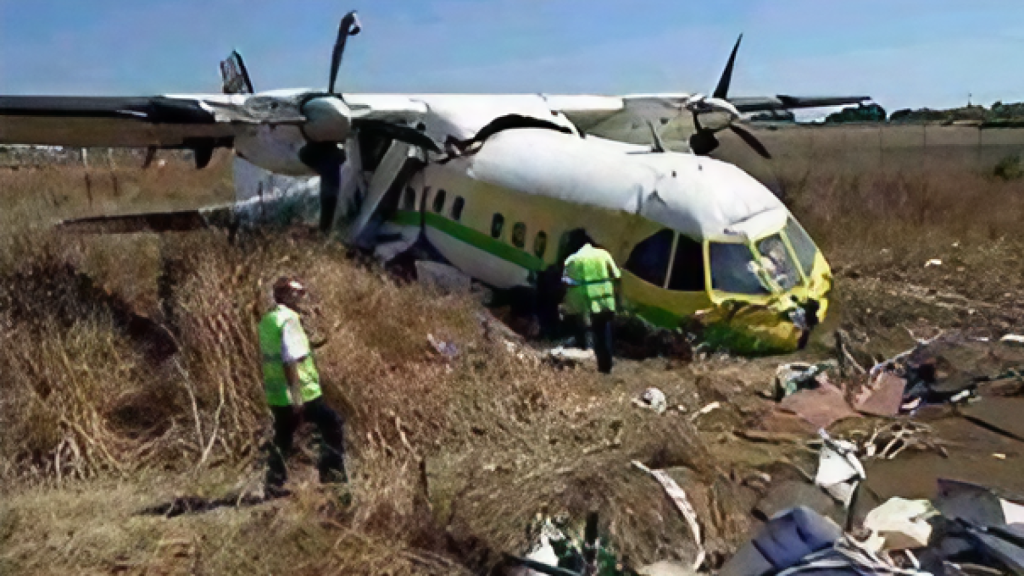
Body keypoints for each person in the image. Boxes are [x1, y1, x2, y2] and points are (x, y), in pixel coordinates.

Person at [259, 276, 347, 491]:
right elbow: (290, 361)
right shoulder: (289, 320)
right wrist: (297, 398)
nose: (301, 296)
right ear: (287, 295)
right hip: (302, 393)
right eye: (297, 292)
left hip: (276, 394)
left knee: (284, 435)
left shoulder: (268, 320)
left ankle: (273, 482)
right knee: (331, 423)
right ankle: (332, 475)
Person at [561, 235, 621, 373]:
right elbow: (617, 277)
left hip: (586, 304)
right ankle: (605, 367)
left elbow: (566, 283)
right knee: (604, 334)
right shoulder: (604, 254)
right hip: (606, 301)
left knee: (585, 332)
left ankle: (585, 360)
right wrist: (618, 301)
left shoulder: (572, 260)